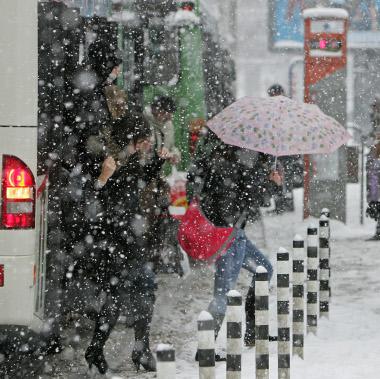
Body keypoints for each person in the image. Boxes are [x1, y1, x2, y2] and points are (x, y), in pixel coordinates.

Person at [187, 129, 282, 350]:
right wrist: (269, 182)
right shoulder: (229, 164)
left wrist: (268, 180)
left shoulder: (221, 159)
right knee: (223, 294)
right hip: (228, 235)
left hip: (233, 233)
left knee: (264, 270)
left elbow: (248, 197)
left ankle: (251, 331)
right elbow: (250, 198)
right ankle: (206, 349)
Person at [85, 114, 164, 374]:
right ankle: (100, 350)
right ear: (130, 140)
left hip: (132, 237)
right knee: (119, 298)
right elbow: (92, 200)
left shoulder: (130, 161)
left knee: (142, 292)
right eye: (142, 141)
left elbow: (139, 179)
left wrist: (159, 162)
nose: (146, 146)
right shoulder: (109, 159)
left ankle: (137, 349)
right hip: (114, 240)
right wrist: (102, 179)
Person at [267, 83, 296, 213]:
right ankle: (281, 204)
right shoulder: (286, 108)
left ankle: (285, 204)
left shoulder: (285, 109)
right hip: (282, 150)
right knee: (278, 176)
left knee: (284, 177)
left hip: (284, 150)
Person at [366, 132, 380, 240]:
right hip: (375, 187)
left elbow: (372, 171)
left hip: (375, 187)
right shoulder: (374, 151)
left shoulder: (374, 151)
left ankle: (379, 231)